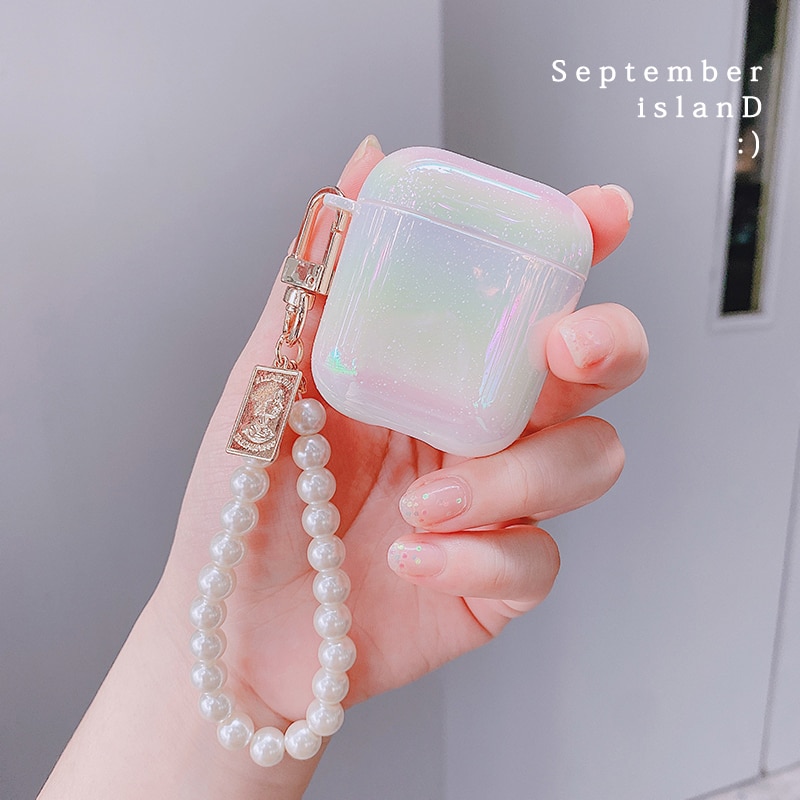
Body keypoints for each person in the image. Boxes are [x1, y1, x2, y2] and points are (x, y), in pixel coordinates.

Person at [38, 135, 648, 798]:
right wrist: (248, 659)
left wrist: (258, 670)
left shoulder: (414, 189)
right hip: (309, 489)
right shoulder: (409, 208)